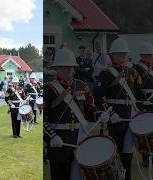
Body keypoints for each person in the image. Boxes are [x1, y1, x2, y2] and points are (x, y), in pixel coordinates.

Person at [44, 48, 104, 180]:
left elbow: (90, 108)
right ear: (57, 69)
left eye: (71, 67)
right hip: (59, 141)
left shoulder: (82, 86)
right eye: (65, 67)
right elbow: (42, 118)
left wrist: (99, 115)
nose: (69, 70)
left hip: (79, 138)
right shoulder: (48, 88)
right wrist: (51, 136)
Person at [93, 38, 139, 180]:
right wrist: (110, 113)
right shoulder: (106, 73)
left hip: (129, 117)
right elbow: (98, 97)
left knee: (128, 154)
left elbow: (136, 95)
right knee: (115, 154)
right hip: (115, 119)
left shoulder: (130, 72)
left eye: (125, 54)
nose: (123, 57)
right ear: (112, 55)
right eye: (120, 54)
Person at [132, 42, 153, 167]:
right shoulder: (137, 68)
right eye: (149, 55)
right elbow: (139, 86)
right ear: (142, 55)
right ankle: (146, 157)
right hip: (145, 103)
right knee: (146, 133)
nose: (151, 57)